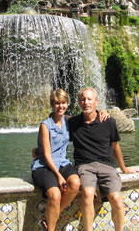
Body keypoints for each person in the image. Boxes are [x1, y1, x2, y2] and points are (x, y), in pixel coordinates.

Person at [31, 89, 109, 231]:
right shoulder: (45, 125)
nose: (60, 106)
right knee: (54, 195)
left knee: (75, 183)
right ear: (52, 105)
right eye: (57, 103)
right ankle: (51, 228)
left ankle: (52, 217)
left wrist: (102, 111)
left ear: (67, 104)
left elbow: (89, 115)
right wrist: (59, 176)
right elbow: (47, 155)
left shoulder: (68, 121)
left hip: (62, 162)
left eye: (63, 103)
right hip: (44, 165)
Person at [68, 87, 139, 231]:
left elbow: (115, 147)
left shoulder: (108, 121)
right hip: (85, 166)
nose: (86, 102)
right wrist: (40, 150)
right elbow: (55, 125)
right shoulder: (73, 123)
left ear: (96, 102)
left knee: (116, 199)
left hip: (106, 166)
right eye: (83, 99)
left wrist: (124, 169)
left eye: (89, 99)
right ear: (78, 102)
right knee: (88, 193)